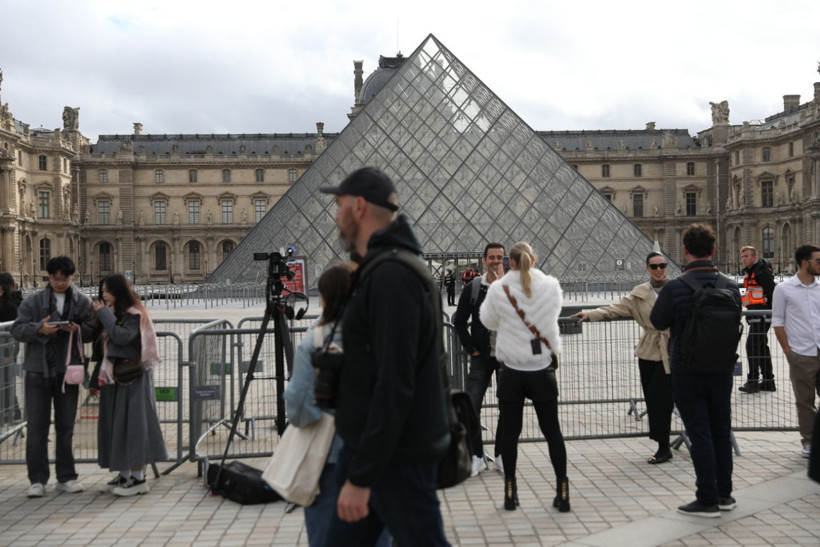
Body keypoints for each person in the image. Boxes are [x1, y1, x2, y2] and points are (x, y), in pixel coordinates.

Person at [319, 166, 450, 546]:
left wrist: (362, 477)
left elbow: (395, 381)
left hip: (395, 459)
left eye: (339, 204)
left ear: (359, 207)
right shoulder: (383, 268)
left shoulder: (391, 276)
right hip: (376, 451)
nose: (335, 214)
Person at [284, 262, 390, 547]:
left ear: (325, 297)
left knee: (326, 536)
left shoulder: (315, 340)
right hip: (379, 454)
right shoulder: (384, 335)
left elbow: (297, 407)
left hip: (327, 458)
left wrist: (321, 414)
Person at [650, 224, 739, 517]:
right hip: (722, 368)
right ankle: (725, 495)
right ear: (714, 250)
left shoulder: (676, 287)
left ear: (685, 251)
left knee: (699, 432)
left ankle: (707, 498)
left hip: (687, 369)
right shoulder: (730, 286)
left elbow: (659, 322)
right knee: (721, 430)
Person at [479, 242, 569, 513]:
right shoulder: (551, 287)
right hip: (542, 370)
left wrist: (499, 288)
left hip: (512, 371)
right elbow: (552, 316)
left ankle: (510, 491)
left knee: (510, 433)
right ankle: (562, 491)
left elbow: (488, 321)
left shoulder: (499, 288)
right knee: (552, 431)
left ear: (511, 262)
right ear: (534, 259)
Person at [572, 252, 674, 464]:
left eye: (662, 265)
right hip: (648, 351)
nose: (659, 269)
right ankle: (663, 445)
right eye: (654, 266)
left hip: (673, 350)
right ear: (647, 268)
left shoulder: (677, 289)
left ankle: (675, 443)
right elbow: (616, 309)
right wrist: (590, 314)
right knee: (654, 400)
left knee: (667, 400)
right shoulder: (639, 293)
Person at [11, 256, 93, 498]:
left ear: (72, 278)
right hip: (38, 371)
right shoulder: (34, 301)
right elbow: (17, 329)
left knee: (66, 426)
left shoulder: (82, 302)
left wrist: (77, 329)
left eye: (64, 279)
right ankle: (37, 479)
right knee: (37, 427)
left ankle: (66, 476)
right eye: (55, 278)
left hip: (67, 371)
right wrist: (39, 329)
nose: (60, 283)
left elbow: (92, 331)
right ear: (49, 277)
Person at [92, 273, 166, 496]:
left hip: (133, 378)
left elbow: (121, 337)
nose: (102, 295)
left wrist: (103, 314)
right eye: (102, 290)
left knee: (133, 426)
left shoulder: (135, 314)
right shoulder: (115, 313)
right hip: (116, 377)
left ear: (117, 291)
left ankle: (138, 478)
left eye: (106, 290)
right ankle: (124, 474)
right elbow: (101, 344)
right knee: (117, 426)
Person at [453, 242, 505, 476]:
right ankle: (476, 455)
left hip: (507, 357)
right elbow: (459, 321)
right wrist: (471, 349)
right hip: (481, 357)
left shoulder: (512, 286)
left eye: (500, 257)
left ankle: (503, 454)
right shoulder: (473, 288)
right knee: (472, 406)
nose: (496, 261)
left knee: (508, 407)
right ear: (483, 260)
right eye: (492, 257)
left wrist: (504, 286)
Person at [771, 244, 820, 459]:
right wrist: (788, 351)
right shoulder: (784, 289)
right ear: (804, 262)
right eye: (817, 260)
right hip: (801, 353)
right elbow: (778, 322)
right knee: (805, 401)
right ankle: (809, 441)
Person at [739, 246, 776, 393]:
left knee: (752, 346)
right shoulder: (753, 272)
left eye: (747, 256)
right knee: (761, 346)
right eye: (742, 257)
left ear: (754, 257)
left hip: (762, 316)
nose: (744, 259)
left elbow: (773, 292)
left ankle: (753, 381)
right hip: (756, 315)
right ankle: (768, 381)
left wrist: (768, 312)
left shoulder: (761, 272)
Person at [0, 272, 24, 424]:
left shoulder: (9, 304)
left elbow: (10, 329)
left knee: (6, 379)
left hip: (7, 345)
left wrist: (9, 353)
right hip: (5, 344)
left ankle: (12, 412)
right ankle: (10, 411)